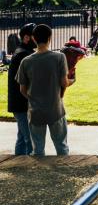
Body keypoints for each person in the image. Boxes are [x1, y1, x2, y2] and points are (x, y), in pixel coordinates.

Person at [17, 24, 70, 156]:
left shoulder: (26, 61)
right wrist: (71, 81)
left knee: (38, 150)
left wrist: (33, 98)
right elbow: (64, 82)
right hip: (55, 109)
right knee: (61, 146)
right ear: (50, 37)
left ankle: (39, 175)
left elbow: (22, 89)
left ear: (34, 38)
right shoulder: (59, 57)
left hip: (36, 111)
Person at [7, 23, 36, 155]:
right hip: (21, 103)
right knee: (31, 140)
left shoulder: (23, 52)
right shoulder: (23, 55)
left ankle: (18, 164)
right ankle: (31, 168)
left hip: (19, 103)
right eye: (35, 36)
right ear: (26, 37)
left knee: (22, 138)